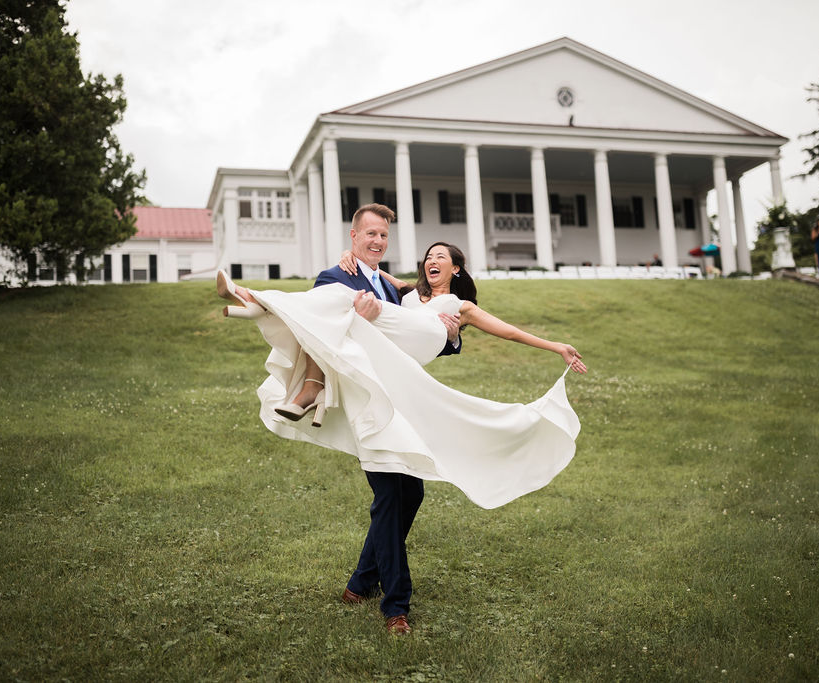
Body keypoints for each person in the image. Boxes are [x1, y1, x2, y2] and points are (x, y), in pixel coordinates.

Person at [216, 206, 585, 635]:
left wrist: (545, 344)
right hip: (371, 403)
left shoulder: (417, 297)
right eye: (369, 235)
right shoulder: (346, 280)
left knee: (407, 497)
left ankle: (359, 584)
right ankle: (396, 607)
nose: (379, 243)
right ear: (354, 236)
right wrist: (357, 290)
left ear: (455, 269)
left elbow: (499, 330)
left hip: (406, 392)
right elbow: (336, 314)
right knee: (392, 496)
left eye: (384, 237)